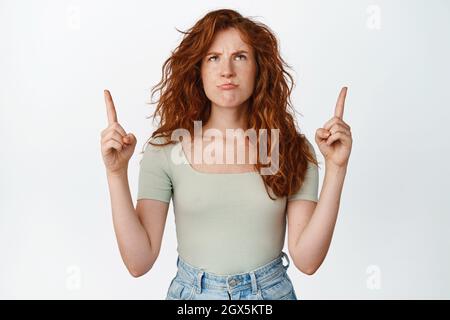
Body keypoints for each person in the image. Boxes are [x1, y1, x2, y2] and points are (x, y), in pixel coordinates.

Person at [100, 9, 352, 300]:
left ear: (259, 67)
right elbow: (138, 262)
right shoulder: (166, 150)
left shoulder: (292, 149)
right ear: (199, 70)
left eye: (240, 56)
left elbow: (308, 261)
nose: (227, 70)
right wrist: (116, 173)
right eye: (213, 58)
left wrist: (336, 168)